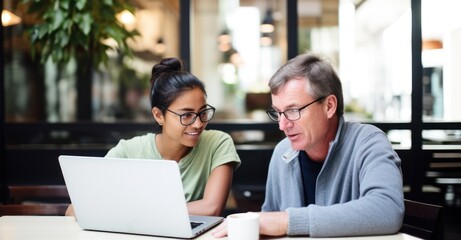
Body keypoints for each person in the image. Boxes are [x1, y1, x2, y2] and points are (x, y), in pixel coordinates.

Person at [212, 52, 403, 237]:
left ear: (329, 106)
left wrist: (287, 221)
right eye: (278, 113)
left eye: (293, 110)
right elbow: (269, 220)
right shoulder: (282, 152)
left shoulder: (369, 142)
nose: (282, 125)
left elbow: (387, 209)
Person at [66, 57, 240, 217]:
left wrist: (137, 211)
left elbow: (211, 208)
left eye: (203, 112)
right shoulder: (128, 151)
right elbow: (74, 210)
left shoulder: (218, 143)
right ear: (158, 115)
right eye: (186, 115)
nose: (198, 124)